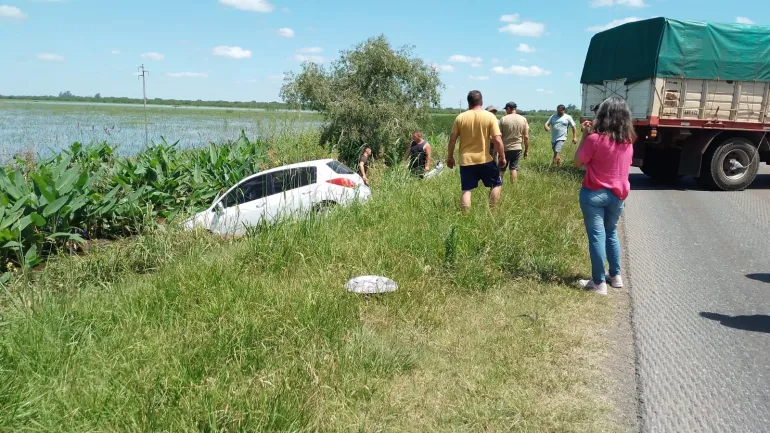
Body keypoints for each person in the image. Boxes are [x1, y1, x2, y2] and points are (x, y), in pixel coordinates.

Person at [574, 97, 635, 295]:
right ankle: (616, 276)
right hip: (618, 195)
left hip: (594, 193)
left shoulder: (594, 139)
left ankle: (598, 282)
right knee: (611, 233)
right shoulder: (628, 142)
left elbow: (578, 162)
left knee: (596, 236)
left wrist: (584, 135)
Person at [447, 90, 506, 211]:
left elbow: (452, 140)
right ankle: (493, 211)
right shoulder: (490, 117)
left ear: (468, 103)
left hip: (466, 160)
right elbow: (497, 140)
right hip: (484, 159)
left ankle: (465, 216)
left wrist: (450, 157)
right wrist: (502, 157)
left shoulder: (460, 118)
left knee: (467, 189)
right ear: (482, 101)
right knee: (496, 184)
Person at [498, 102, 530, 184]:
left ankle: (498, 185)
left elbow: (499, 135)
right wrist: (526, 150)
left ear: (508, 108)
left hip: (505, 148)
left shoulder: (503, 119)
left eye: (506, 109)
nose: (506, 111)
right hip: (517, 148)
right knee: (514, 168)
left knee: (501, 168)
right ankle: (513, 186)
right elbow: (526, 136)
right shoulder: (523, 119)